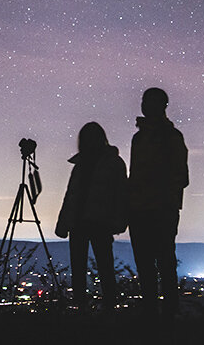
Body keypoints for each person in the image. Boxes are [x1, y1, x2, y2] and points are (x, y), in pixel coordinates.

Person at [128, 87, 189, 320]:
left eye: (149, 102)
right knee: (147, 264)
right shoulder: (140, 137)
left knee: (163, 262)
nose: (145, 106)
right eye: (144, 101)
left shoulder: (171, 137)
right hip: (141, 209)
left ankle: (167, 315)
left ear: (162, 105)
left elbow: (181, 177)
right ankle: (152, 314)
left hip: (161, 209)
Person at [55, 122, 128, 312]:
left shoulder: (111, 163)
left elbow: (121, 194)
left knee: (103, 265)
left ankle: (107, 307)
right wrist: (63, 222)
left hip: (99, 222)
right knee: (83, 267)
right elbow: (71, 195)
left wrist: (119, 220)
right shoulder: (83, 165)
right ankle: (84, 306)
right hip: (81, 221)